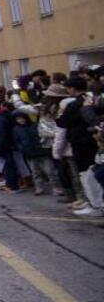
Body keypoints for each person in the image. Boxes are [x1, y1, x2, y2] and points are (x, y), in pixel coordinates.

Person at [58, 77, 102, 216]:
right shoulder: (91, 100)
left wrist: (59, 117)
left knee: (86, 173)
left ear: (72, 88)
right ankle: (93, 203)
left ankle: (94, 204)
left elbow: (63, 122)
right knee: (92, 172)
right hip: (93, 140)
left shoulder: (76, 104)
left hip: (82, 141)